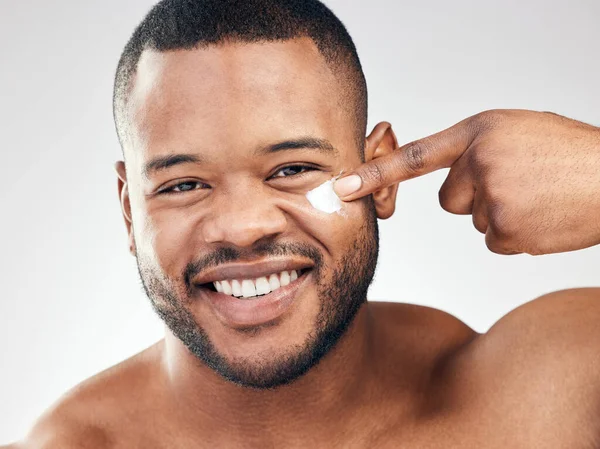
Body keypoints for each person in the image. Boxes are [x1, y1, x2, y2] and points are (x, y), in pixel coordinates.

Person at [5, 0, 600, 447]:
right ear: (130, 211)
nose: (240, 228)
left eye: (291, 169)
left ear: (383, 178)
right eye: (184, 184)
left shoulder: (544, 400)